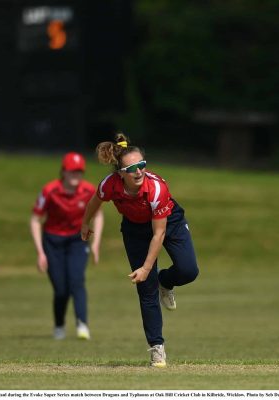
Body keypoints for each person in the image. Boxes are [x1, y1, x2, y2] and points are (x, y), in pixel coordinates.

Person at [80, 133, 199, 367]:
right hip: (135, 230)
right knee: (146, 288)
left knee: (188, 271)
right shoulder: (110, 185)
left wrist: (147, 268)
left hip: (167, 222)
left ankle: (165, 281)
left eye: (142, 165)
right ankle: (157, 347)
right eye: (132, 168)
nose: (138, 172)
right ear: (120, 172)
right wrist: (85, 222)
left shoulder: (156, 189)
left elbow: (159, 233)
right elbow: (95, 200)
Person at [30, 152, 104, 340]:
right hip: (53, 241)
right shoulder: (50, 191)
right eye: (71, 172)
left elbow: (98, 215)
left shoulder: (88, 191)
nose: (75, 176)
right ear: (63, 172)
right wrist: (40, 252)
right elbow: (36, 220)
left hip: (78, 240)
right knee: (61, 289)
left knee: (77, 280)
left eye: (79, 172)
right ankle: (59, 325)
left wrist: (96, 244)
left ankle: (82, 323)